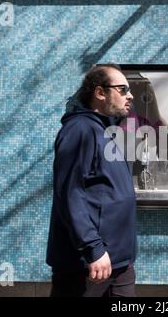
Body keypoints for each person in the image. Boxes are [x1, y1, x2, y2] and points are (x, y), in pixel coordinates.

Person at [46, 63, 137, 297]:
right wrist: (93, 249)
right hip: (88, 266)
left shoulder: (107, 132)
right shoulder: (80, 130)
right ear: (99, 93)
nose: (131, 95)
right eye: (123, 89)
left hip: (119, 264)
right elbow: (70, 193)